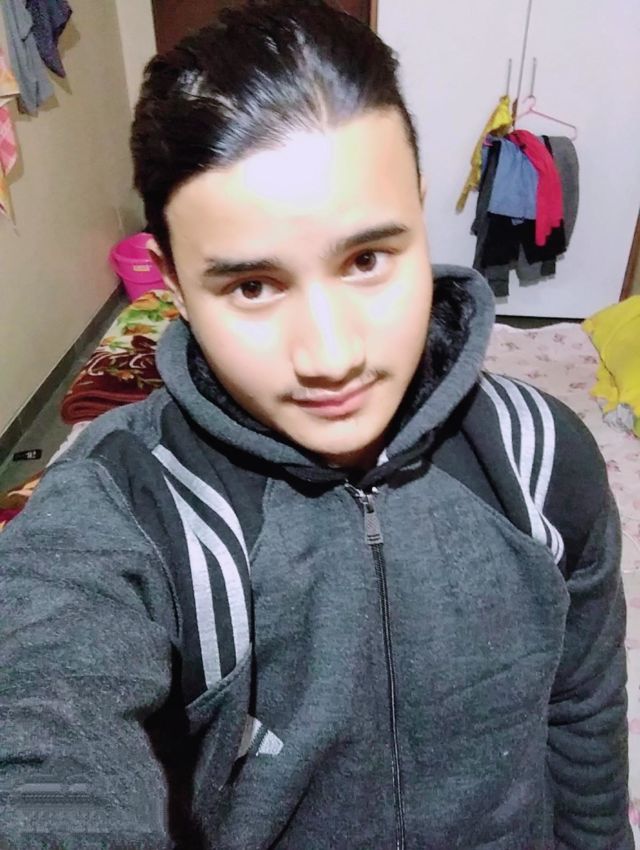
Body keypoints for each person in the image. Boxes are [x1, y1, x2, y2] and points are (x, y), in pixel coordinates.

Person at [0, 1, 632, 848]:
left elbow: (583, 713)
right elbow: (41, 738)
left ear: (420, 217)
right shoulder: (121, 506)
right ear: (172, 284)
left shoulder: (543, 458)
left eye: (368, 260)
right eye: (252, 287)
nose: (332, 357)